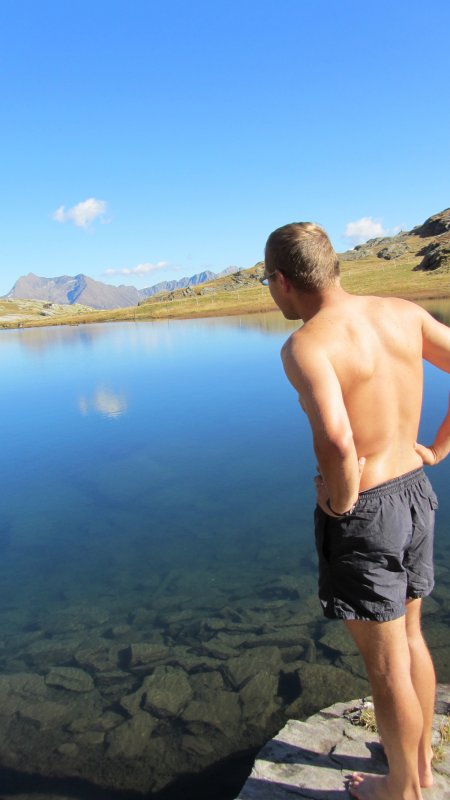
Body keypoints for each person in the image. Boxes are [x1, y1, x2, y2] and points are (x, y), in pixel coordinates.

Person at [261, 221, 450, 800]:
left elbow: (339, 444)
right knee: (411, 638)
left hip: (367, 508)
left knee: (386, 663)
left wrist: (338, 502)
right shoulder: (402, 313)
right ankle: (416, 769)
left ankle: (400, 790)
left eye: (269, 283)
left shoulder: (307, 345)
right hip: (416, 491)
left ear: (283, 281)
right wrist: (439, 448)